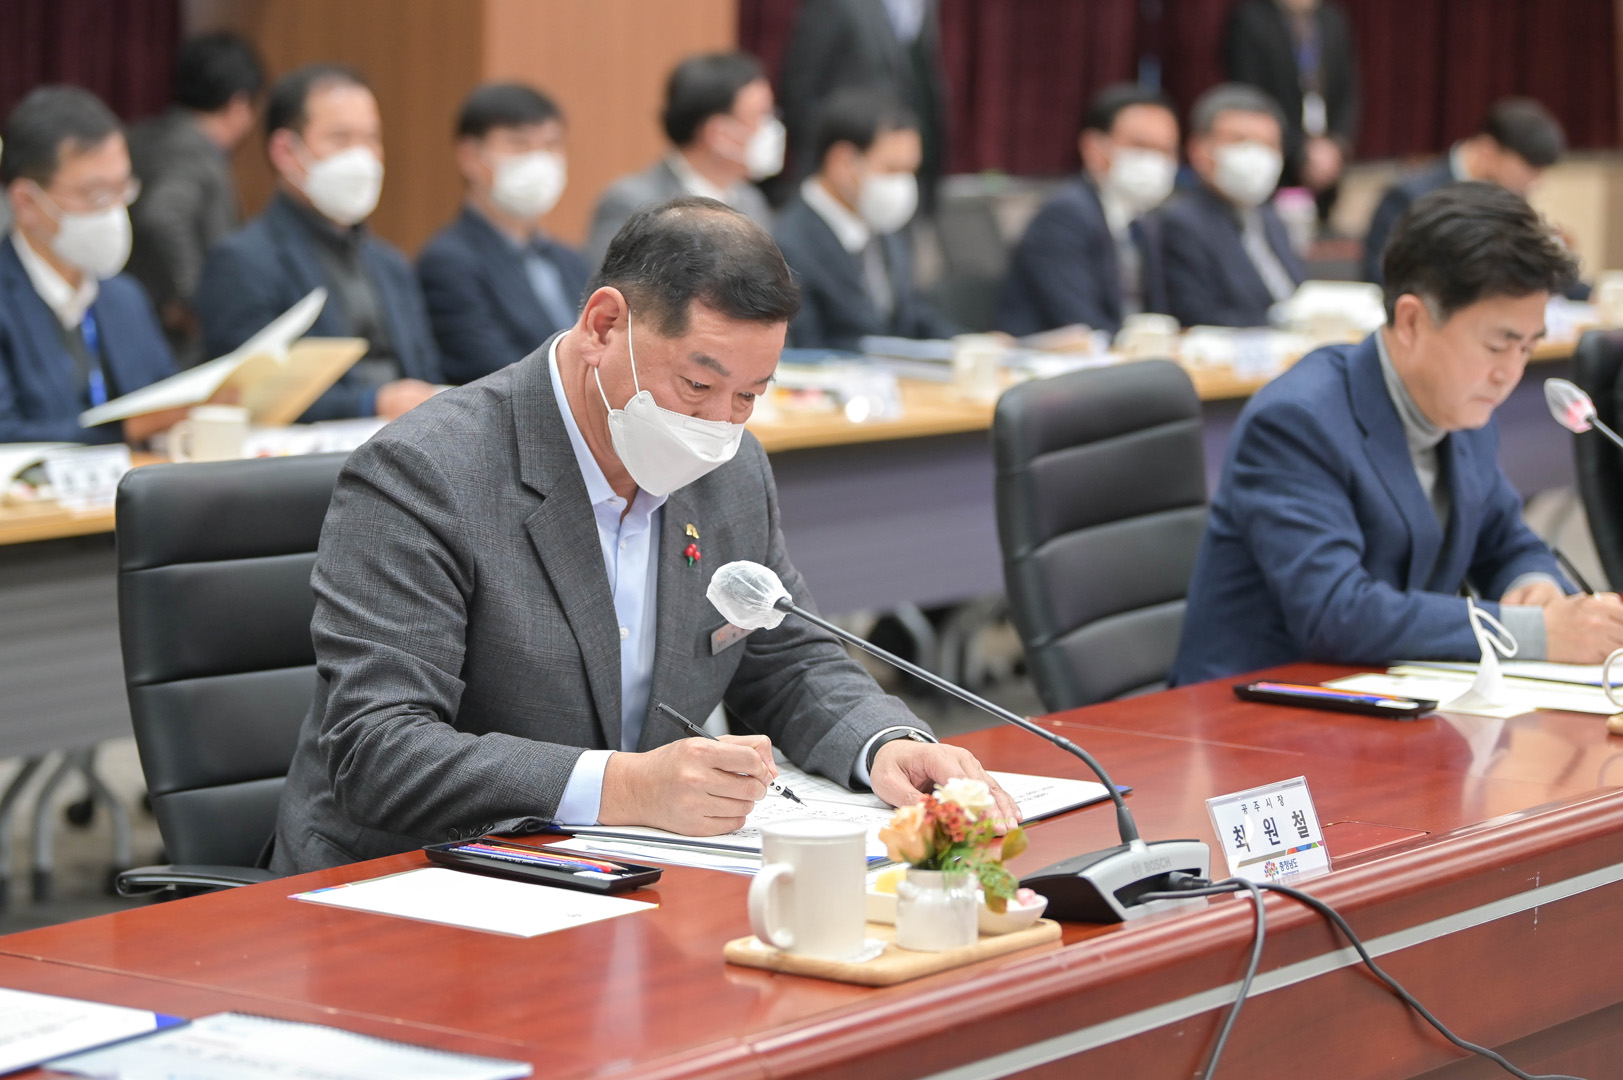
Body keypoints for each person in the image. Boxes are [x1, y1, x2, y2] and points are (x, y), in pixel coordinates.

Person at [269, 197, 1018, 873]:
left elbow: (786, 659)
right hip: (411, 881)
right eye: (697, 385)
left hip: (619, 874)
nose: (718, 425)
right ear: (604, 327)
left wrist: (884, 742)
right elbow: (379, 751)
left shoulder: (731, 470)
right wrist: (627, 786)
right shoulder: (426, 471)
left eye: (749, 396)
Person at [1172, 183, 1623, 686]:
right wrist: (1531, 633)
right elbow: (1336, 612)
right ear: (1411, 321)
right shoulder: (1297, 421)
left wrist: (1536, 587)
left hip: (1382, 699)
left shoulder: (1463, 406)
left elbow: (1506, 540)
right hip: (1249, 709)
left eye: (1528, 348)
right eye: (1499, 345)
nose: (1509, 374)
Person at [194, 65, 442, 422]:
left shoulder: (392, 265)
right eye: (341, 139)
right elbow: (249, 398)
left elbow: (426, 374)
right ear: (286, 152)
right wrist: (371, 403)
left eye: (372, 139)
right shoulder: (242, 261)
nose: (362, 157)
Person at [0, 86, 175, 445]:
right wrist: (128, 429)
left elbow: (169, 401)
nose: (113, 210)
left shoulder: (126, 298)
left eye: (122, 188)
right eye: (96, 195)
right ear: (27, 202)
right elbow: (7, 432)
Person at [418, 83, 588, 385]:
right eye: (519, 145)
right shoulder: (449, 262)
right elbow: (493, 371)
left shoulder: (572, 261)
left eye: (551, 145)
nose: (539, 160)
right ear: (470, 157)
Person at [773, 89, 952, 350]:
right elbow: (802, 347)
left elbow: (914, 315)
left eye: (910, 171)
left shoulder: (886, 223)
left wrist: (968, 346)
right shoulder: (787, 244)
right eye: (892, 169)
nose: (903, 184)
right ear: (843, 162)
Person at [998, 84, 1178, 337]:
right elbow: (1080, 321)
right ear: (1093, 148)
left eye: (1166, 150)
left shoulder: (1145, 221)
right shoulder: (1065, 216)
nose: (1154, 161)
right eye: (1140, 146)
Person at [126, 32, 264, 364]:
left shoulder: (140, 137)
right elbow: (163, 215)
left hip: (137, 323)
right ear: (239, 106)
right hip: (171, 340)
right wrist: (195, 299)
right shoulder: (194, 151)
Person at [584, 52, 780, 272]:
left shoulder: (750, 201)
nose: (771, 128)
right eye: (762, 115)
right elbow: (611, 285)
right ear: (719, 133)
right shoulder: (633, 203)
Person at [1363, 98, 1568, 286]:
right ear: (1489, 151)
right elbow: (1383, 276)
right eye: (1531, 170)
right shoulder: (1410, 196)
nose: (1534, 182)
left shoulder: (1511, 196)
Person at [1158, 83, 1305, 329]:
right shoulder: (1183, 222)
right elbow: (1198, 316)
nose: (1257, 156)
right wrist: (1286, 324)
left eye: (1269, 144)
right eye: (1240, 141)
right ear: (1199, 151)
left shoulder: (1271, 218)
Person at [776, 0, 947, 208]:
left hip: (900, 168)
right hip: (841, 169)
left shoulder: (921, 6)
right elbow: (800, 91)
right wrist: (829, 158)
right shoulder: (833, 5)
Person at [1222, 0, 1358, 223]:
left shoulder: (1333, 20)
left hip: (1326, 159)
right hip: (1278, 160)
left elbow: (1348, 91)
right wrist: (1300, 151)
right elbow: (1252, 98)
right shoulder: (1250, 20)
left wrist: (1336, 144)